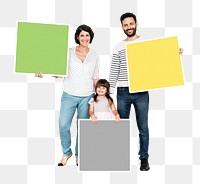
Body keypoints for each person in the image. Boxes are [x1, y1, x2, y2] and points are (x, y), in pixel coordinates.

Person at [109, 12, 184, 171]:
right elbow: (114, 71)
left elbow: (159, 60)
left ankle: (144, 158)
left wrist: (173, 53)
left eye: (131, 23)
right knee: (120, 126)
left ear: (136, 23)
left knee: (143, 126)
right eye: (125, 25)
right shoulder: (118, 47)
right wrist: (109, 94)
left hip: (141, 92)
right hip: (122, 92)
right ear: (122, 26)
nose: (128, 27)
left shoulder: (146, 43)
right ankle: (119, 157)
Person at [35, 24, 99, 166]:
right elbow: (58, 72)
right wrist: (42, 72)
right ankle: (66, 152)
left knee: (82, 127)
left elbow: (95, 77)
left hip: (87, 96)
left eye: (87, 35)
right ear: (77, 37)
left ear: (90, 37)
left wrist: (99, 96)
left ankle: (78, 155)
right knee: (64, 125)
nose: (84, 38)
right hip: (69, 94)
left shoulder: (94, 55)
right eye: (82, 35)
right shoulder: (68, 52)